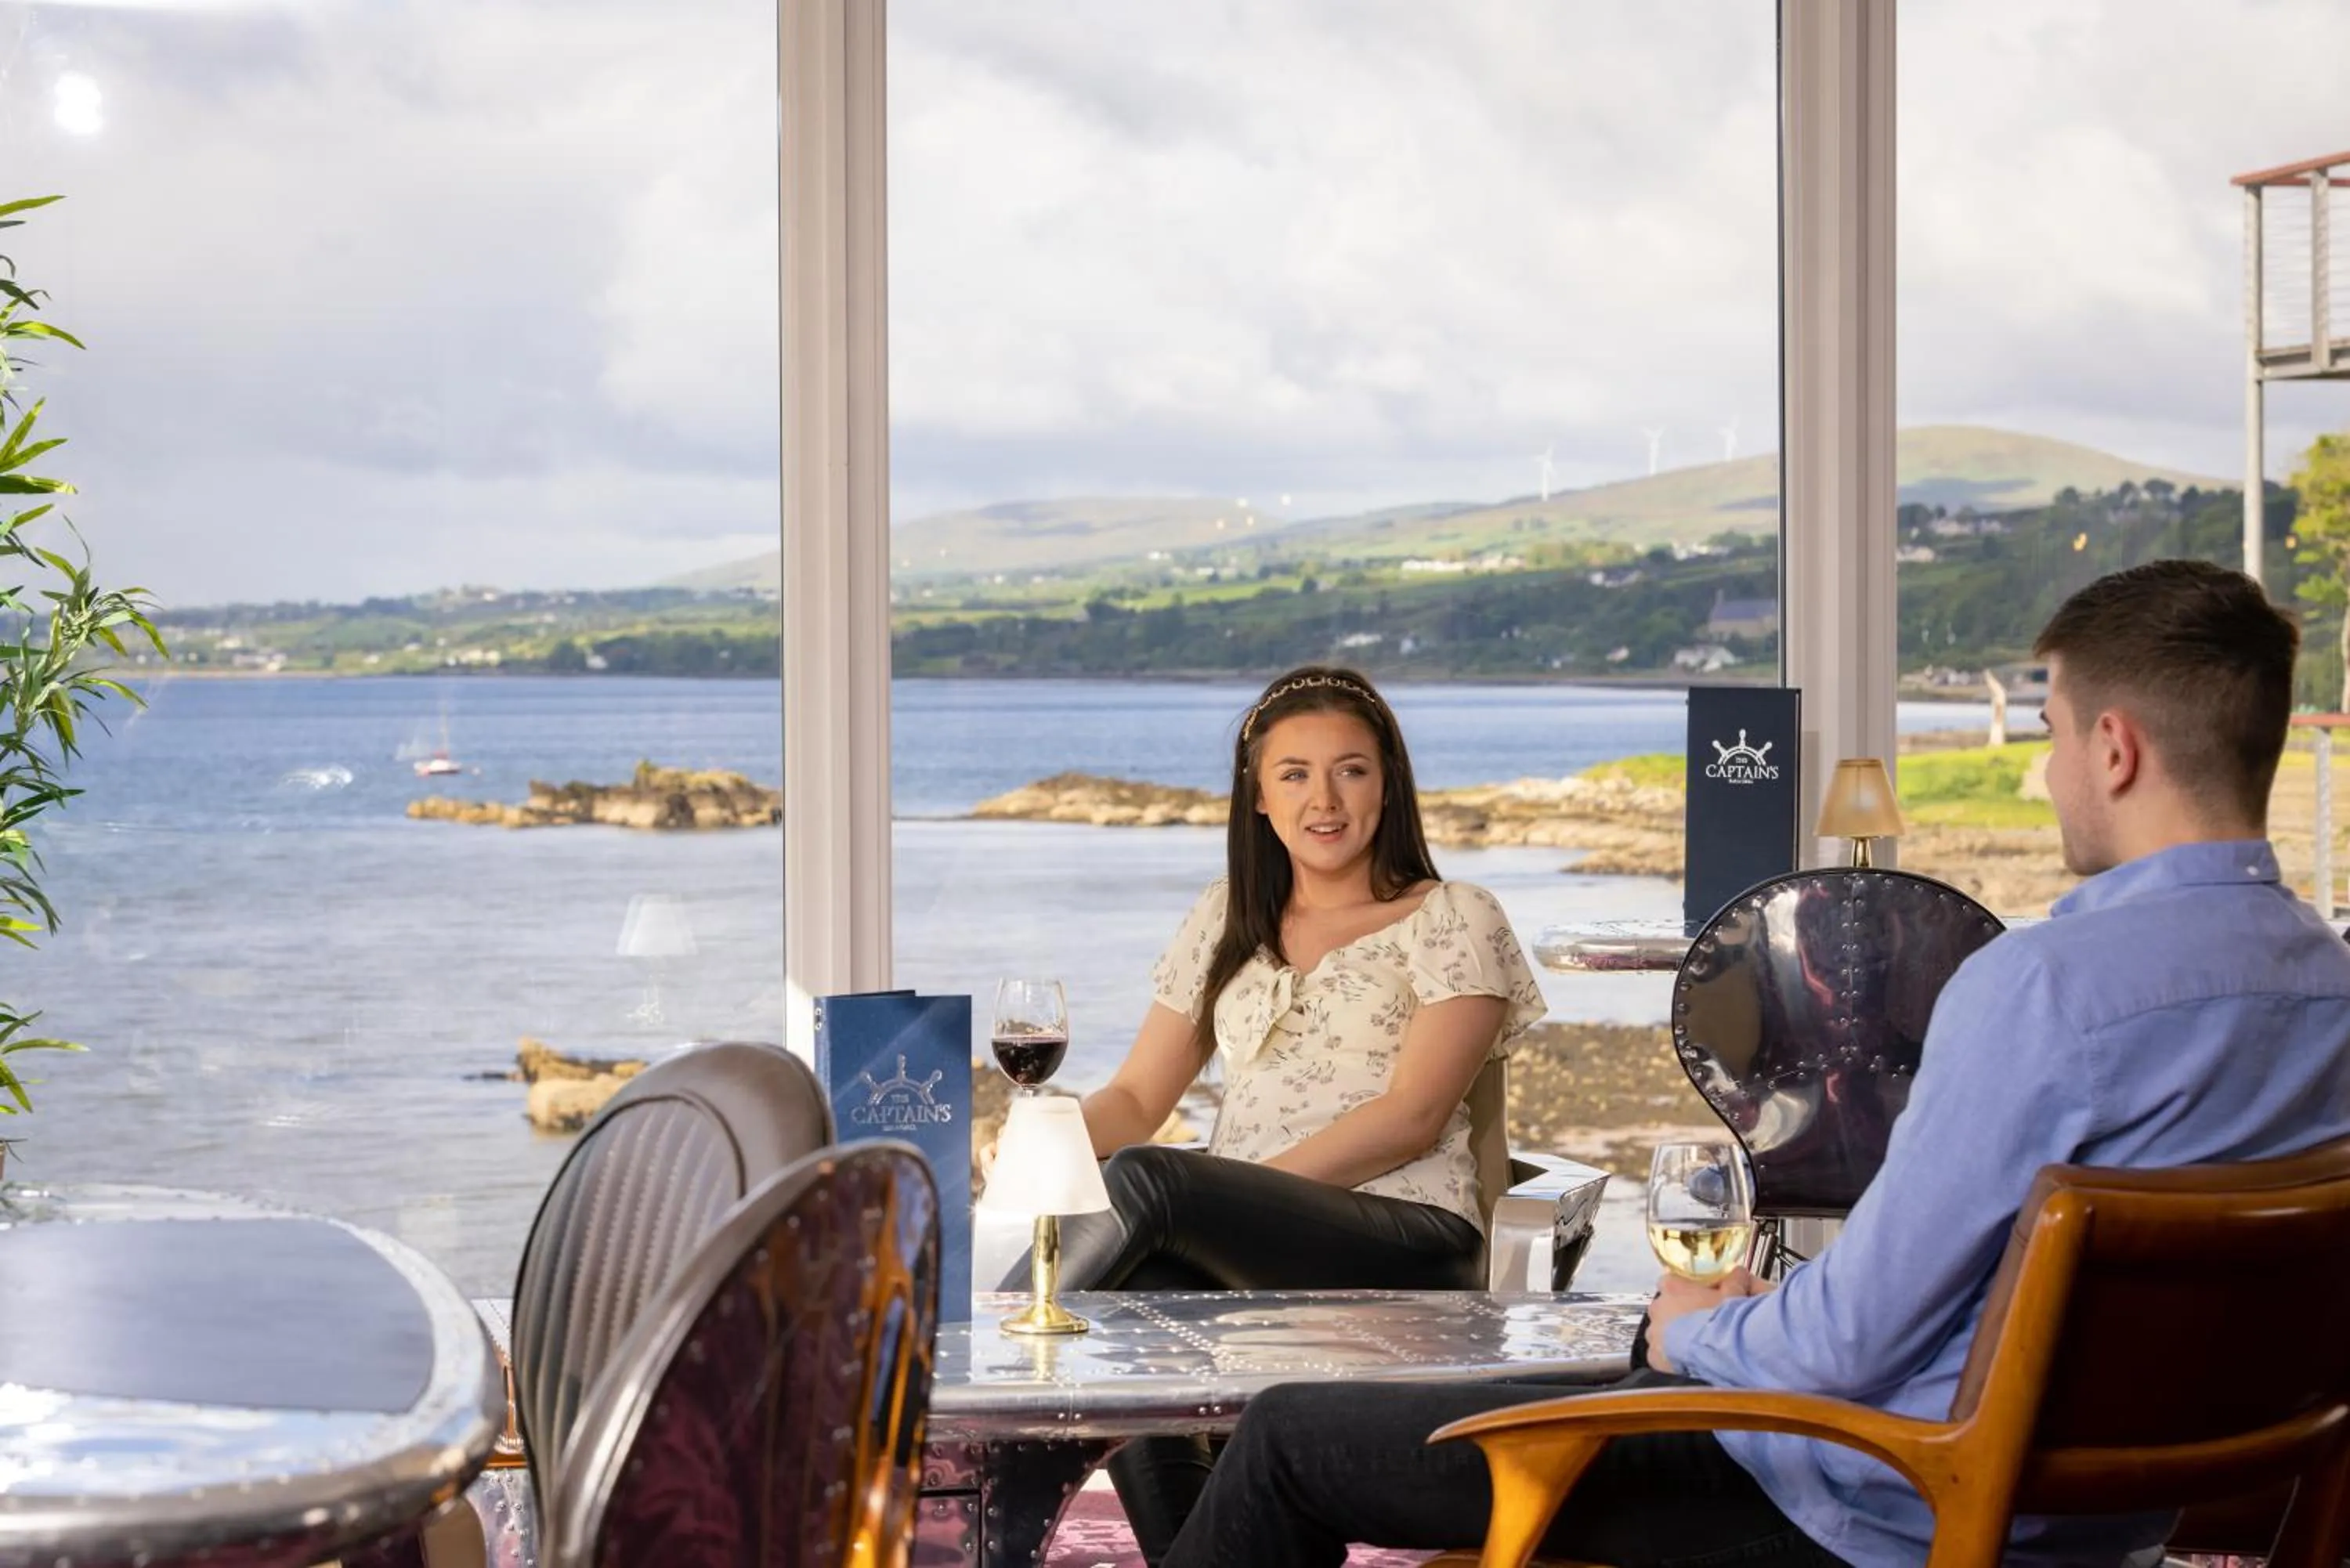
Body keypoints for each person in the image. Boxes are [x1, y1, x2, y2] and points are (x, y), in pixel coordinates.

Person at [1161, 559, 2350, 1568]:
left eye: (2046, 733)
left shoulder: (2041, 989)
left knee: (1285, 1437)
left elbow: (1847, 1346)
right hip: (2116, 1515)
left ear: (2117, 746)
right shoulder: (2331, 991)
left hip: (1878, 1495)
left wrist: (1688, 1333)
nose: (2046, 776)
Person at [993, 663, 1547, 1563]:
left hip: (1409, 1232)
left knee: (1150, 1187)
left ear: (1388, 784)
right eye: (1294, 773)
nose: (1322, 798)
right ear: (1258, 795)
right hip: (1236, 1235)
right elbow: (1136, 1099)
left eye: (1351, 770)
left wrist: (1218, 1197)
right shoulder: (1226, 919)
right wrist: (1038, 1141)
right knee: (1135, 1297)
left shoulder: (1455, 916)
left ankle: (956, 1382)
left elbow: (1413, 1116)